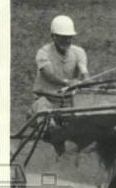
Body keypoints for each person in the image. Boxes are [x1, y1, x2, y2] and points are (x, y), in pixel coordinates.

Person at [32, 15, 90, 154]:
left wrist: (86, 80)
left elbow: (84, 71)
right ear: (54, 36)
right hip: (47, 100)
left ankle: (77, 144)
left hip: (69, 102)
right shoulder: (43, 53)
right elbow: (49, 74)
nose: (67, 40)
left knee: (88, 114)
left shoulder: (78, 52)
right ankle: (54, 134)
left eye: (70, 37)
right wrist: (67, 82)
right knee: (42, 109)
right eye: (63, 37)